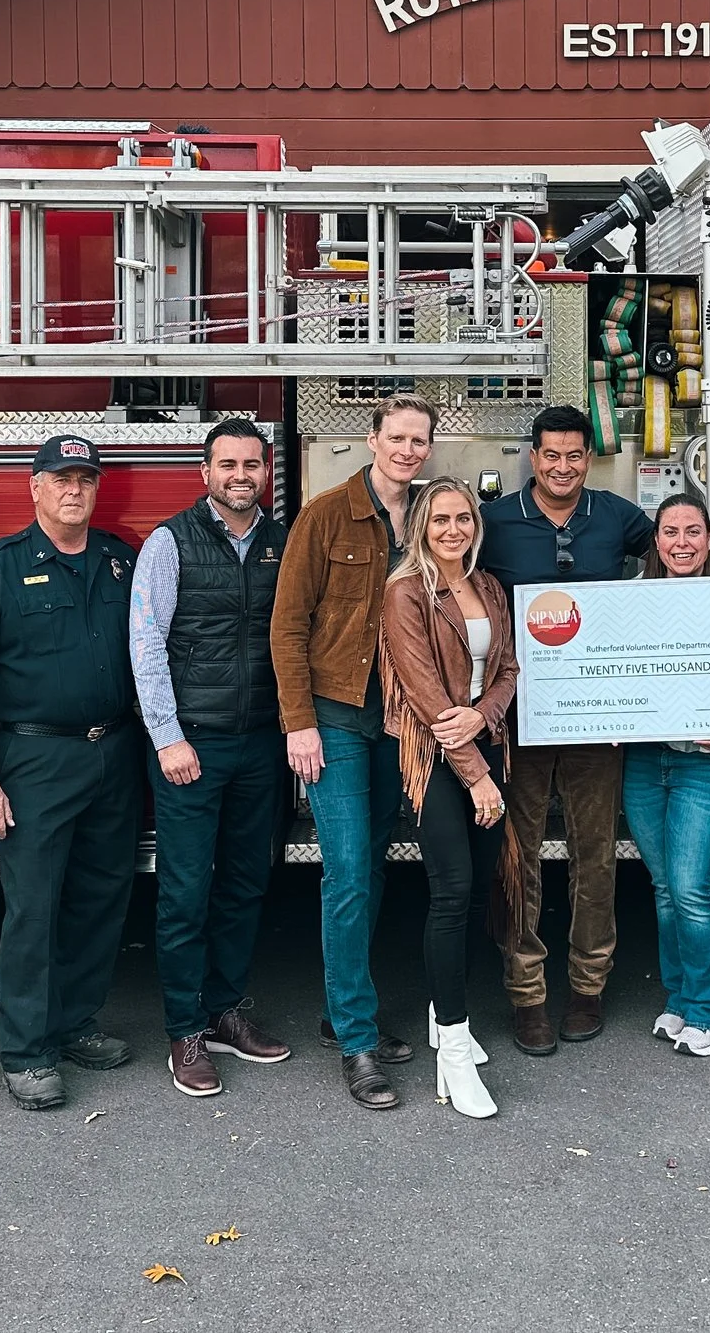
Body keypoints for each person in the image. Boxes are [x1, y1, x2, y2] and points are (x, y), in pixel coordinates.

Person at [475, 403, 710, 1055]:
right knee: (518, 861)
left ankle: (587, 987)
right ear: (533, 456)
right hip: (519, 722)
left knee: (594, 859)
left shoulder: (615, 516)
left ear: (589, 457)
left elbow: (683, 550)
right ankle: (527, 996)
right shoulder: (494, 523)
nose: (561, 466)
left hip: (598, 724)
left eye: (573, 454)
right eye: (550, 454)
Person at [0, 436, 145, 1112]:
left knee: (100, 897)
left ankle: (74, 1022)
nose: (74, 490)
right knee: (33, 907)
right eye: (61, 479)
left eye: (85, 479)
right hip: (34, 760)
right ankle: (26, 1050)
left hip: (110, 753)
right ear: (34, 488)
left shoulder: (120, 562)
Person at [271, 397, 435, 1110]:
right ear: (371, 440)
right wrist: (298, 721)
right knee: (347, 872)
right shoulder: (327, 512)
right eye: (395, 437)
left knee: (372, 865)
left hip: (396, 721)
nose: (407, 449)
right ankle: (359, 1041)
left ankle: (345, 1010)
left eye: (418, 439)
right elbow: (287, 625)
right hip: (335, 717)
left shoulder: (431, 514)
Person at [128, 419, 294, 1098]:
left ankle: (226, 1010)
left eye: (252, 463)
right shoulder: (169, 542)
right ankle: (185, 1028)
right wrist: (168, 737)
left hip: (262, 743)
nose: (240, 475)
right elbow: (146, 643)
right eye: (228, 463)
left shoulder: (285, 542)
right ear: (205, 471)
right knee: (186, 892)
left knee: (247, 884)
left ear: (267, 471)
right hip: (191, 745)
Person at [377, 476, 517, 1119]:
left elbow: (510, 669)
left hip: (484, 741)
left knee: (483, 881)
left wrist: (483, 715)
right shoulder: (405, 591)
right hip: (434, 756)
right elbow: (424, 691)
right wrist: (474, 770)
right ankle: (454, 1052)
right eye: (440, 521)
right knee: (452, 890)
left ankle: (441, 1016)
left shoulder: (486, 586)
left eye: (462, 518)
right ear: (420, 529)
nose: (453, 530)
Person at [620, 492, 710, 1058]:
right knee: (663, 887)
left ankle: (707, 1010)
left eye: (693, 531)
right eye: (670, 532)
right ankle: (678, 999)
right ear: (656, 541)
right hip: (647, 759)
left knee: (692, 888)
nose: (682, 543)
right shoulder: (628, 602)